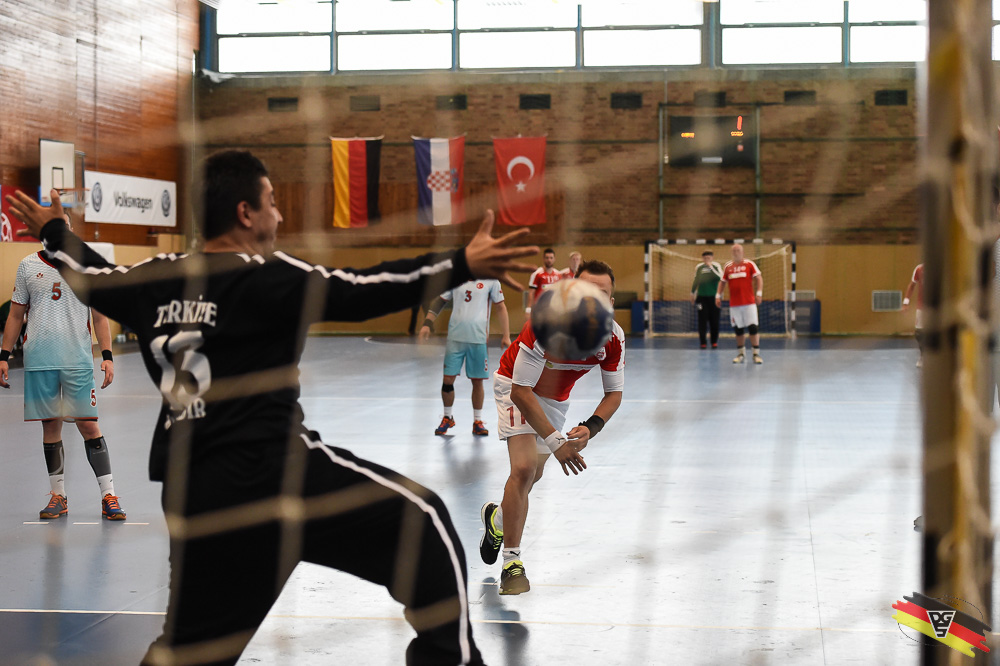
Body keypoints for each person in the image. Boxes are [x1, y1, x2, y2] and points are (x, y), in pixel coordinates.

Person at [6, 149, 538, 666]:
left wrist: (55, 233)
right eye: (273, 203)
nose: (279, 216)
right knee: (425, 525)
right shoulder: (266, 275)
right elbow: (366, 288)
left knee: (190, 651)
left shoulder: (154, 279)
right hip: (276, 475)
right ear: (246, 213)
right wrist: (460, 263)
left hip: (196, 490)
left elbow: (92, 276)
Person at [479, 260, 624, 595]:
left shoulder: (613, 338)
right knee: (524, 468)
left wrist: (591, 427)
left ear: (611, 303)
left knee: (534, 475)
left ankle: (497, 520)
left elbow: (614, 394)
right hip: (516, 387)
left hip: (555, 400)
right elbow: (521, 392)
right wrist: (557, 442)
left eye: (601, 295)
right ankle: (512, 564)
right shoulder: (545, 325)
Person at [0, 223, 125, 521]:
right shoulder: (28, 265)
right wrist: (4, 355)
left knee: (89, 426)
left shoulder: (85, 266)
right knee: (50, 426)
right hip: (40, 360)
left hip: (77, 360)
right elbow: (16, 314)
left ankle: (108, 496)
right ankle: (59, 496)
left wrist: (107, 356)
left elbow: (99, 316)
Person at [418, 279, 511, 436]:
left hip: (478, 339)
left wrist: (506, 335)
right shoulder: (457, 276)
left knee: (477, 381)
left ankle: (477, 421)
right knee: (448, 380)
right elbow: (440, 301)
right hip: (455, 338)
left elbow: (501, 307)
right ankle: (447, 417)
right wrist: (427, 323)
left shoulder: (491, 280)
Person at [716, 243, 763, 364]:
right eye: (734, 251)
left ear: (742, 252)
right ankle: (741, 354)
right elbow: (722, 282)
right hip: (735, 305)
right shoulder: (728, 266)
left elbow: (759, 278)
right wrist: (718, 296)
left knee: (753, 328)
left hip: (749, 303)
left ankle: (756, 354)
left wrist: (759, 293)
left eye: (738, 251)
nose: (736, 253)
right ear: (731, 253)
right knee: (738, 329)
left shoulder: (749, 264)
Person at [690, 250, 723, 349]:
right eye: (705, 258)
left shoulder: (716, 266)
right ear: (702, 259)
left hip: (714, 298)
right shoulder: (699, 267)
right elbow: (696, 281)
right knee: (702, 320)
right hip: (701, 298)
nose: (707, 259)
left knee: (714, 321)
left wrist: (710, 267)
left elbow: (720, 278)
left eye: (708, 258)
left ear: (712, 258)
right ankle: (703, 342)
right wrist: (692, 293)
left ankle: (714, 342)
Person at [902, 263, 924, 368]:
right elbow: (911, 286)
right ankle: (923, 356)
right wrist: (906, 302)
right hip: (921, 307)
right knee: (919, 333)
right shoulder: (919, 269)